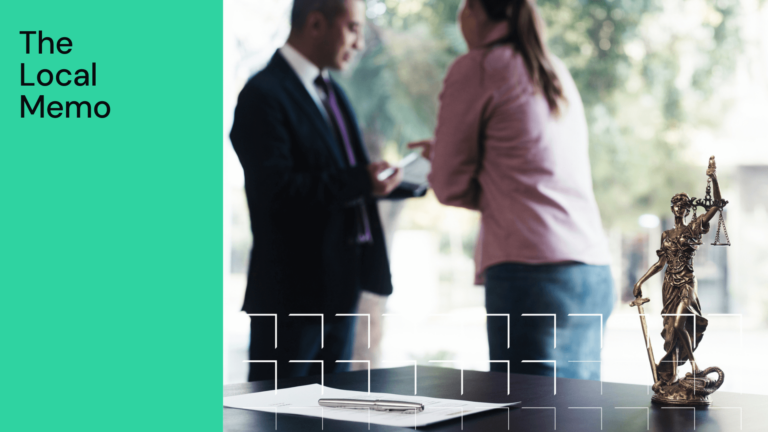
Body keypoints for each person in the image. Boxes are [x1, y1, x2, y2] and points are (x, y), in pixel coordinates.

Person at [409, 0, 613, 380]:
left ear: (472, 10)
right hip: (590, 270)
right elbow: (535, 166)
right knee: (578, 416)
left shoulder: (479, 67)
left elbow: (450, 185)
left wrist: (445, 164)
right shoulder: (552, 67)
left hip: (531, 273)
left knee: (528, 417)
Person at [230, 0, 417, 382]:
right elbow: (277, 194)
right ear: (316, 24)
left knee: (332, 417)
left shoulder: (332, 93)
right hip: (292, 297)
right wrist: (362, 180)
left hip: (339, 291)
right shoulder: (262, 95)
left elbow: (343, 178)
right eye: (353, 28)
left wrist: (395, 181)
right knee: (277, 416)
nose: (360, 43)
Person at [633, 157, 724, 387]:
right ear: (672, 207)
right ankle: (670, 375)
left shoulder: (693, 227)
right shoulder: (665, 235)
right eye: (677, 205)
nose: (680, 209)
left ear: (687, 210)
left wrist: (712, 178)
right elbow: (659, 263)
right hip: (669, 285)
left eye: (684, 206)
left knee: (678, 325)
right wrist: (640, 282)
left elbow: (716, 205)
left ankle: (694, 365)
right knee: (670, 332)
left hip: (686, 284)